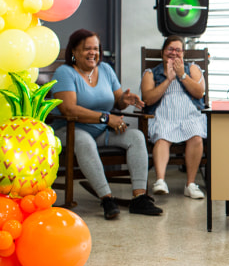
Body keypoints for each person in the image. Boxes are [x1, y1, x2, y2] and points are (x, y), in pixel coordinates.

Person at [51, 29, 163, 220]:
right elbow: (69, 110)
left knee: (136, 136)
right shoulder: (65, 72)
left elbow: (117, 100)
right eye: (87, 49)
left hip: (101, 131)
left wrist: (124, 100)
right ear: (74, 52)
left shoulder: (105, 70)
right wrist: (105, 118)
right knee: (85, 141)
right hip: (70, 130)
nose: (92, 52)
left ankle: (139, 197)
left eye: (96, 48)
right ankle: (106, 198)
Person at [140, 36, 207, 199]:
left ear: (183, 54)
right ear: (163, 52)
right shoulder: (151, 73)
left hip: (189, 114)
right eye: (170, 49)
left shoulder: (192, 69)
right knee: (162, 137)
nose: (174, 53)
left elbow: (199, 93)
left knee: (196, 137)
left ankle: (190, 184)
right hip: (164, 114)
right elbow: (148, 99)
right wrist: (169, 79)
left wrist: (182, 75)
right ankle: (160, 181)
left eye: (178, 50)